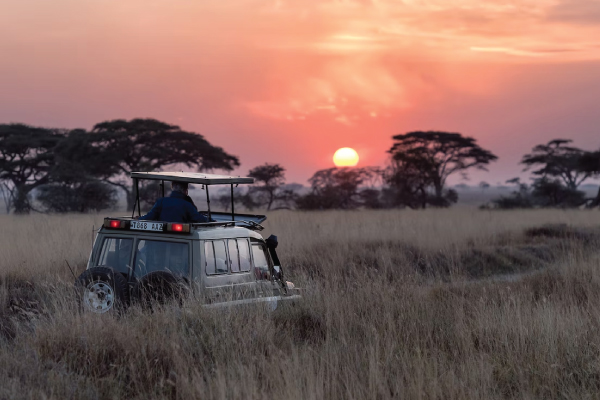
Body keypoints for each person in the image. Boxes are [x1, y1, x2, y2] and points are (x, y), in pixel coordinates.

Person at [138, 181, 209, 223]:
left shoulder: (161, 201)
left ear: (172, 188)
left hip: (162, 238)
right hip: (181, 238)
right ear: (185, 190)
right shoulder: (187, 205)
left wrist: (139, 219)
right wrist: (211, 221)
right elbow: (198, 218)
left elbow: (150, 216)